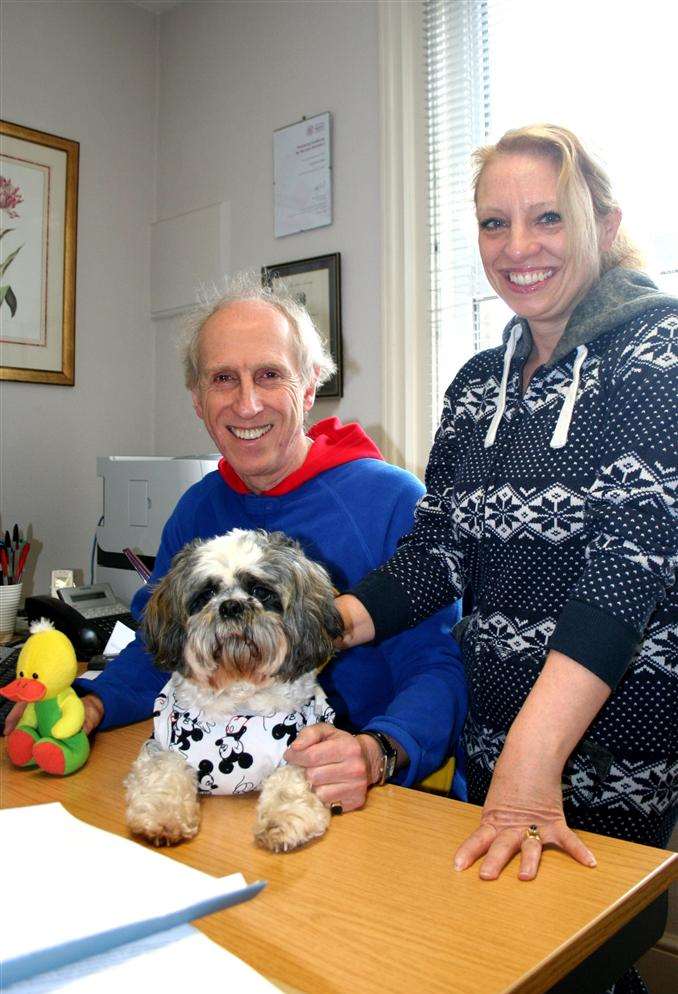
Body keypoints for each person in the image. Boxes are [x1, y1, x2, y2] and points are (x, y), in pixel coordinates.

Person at [338, 124, 677, 898]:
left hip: (610, 749)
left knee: (578, 951)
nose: (518, 244)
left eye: (548, 217)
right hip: (492, 737)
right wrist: (321, 624)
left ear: (607, 226)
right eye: (496, 222)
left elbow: (630, 567)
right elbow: (437, 554)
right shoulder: (475, 383)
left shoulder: (658, 351)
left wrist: (533, 760)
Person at [8, 274, 466, 810]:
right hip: (217, 788)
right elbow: (161, 652)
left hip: (355, 793)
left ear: (310, 385)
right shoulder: (197, 509)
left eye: (269, 375)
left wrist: (377, 751)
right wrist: (91, 705)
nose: (247, 404)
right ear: (198, 400)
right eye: (223, 379)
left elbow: (439, 668)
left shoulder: (391, 501)